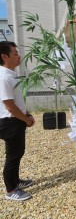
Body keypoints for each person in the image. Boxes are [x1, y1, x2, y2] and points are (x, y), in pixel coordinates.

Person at [0, 41, 35, 201]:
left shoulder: (11, 75)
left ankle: (16, 181)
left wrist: (27, 114)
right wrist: (25, 120)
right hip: (9, 121)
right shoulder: (3, 77)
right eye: (15, 53)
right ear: (4, 56)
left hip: (16, 119)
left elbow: (17, 101)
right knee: (13, 156)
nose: (19, 56)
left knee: (18, 153)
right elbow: (10, 106)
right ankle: (10, 190)